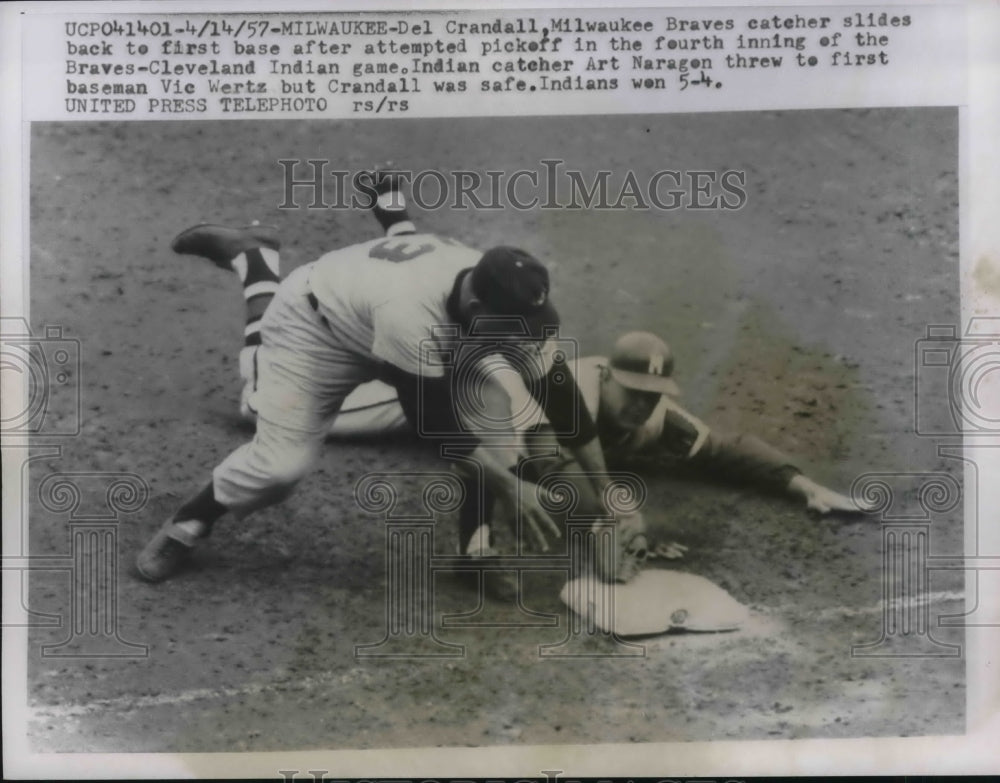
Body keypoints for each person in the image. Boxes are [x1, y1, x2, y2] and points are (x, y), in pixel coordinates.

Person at [135, 177, 644, 585]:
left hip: (396, 312)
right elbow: (438, 428)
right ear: (475, 305)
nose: (524, 338)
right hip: (317, 328)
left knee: (494, 415)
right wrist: (514, 488)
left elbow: (559, 398)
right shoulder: (411, 315)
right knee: (275, 460)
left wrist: (612, 498)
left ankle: (475, 555)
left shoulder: (493, 295)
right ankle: (255, 261)